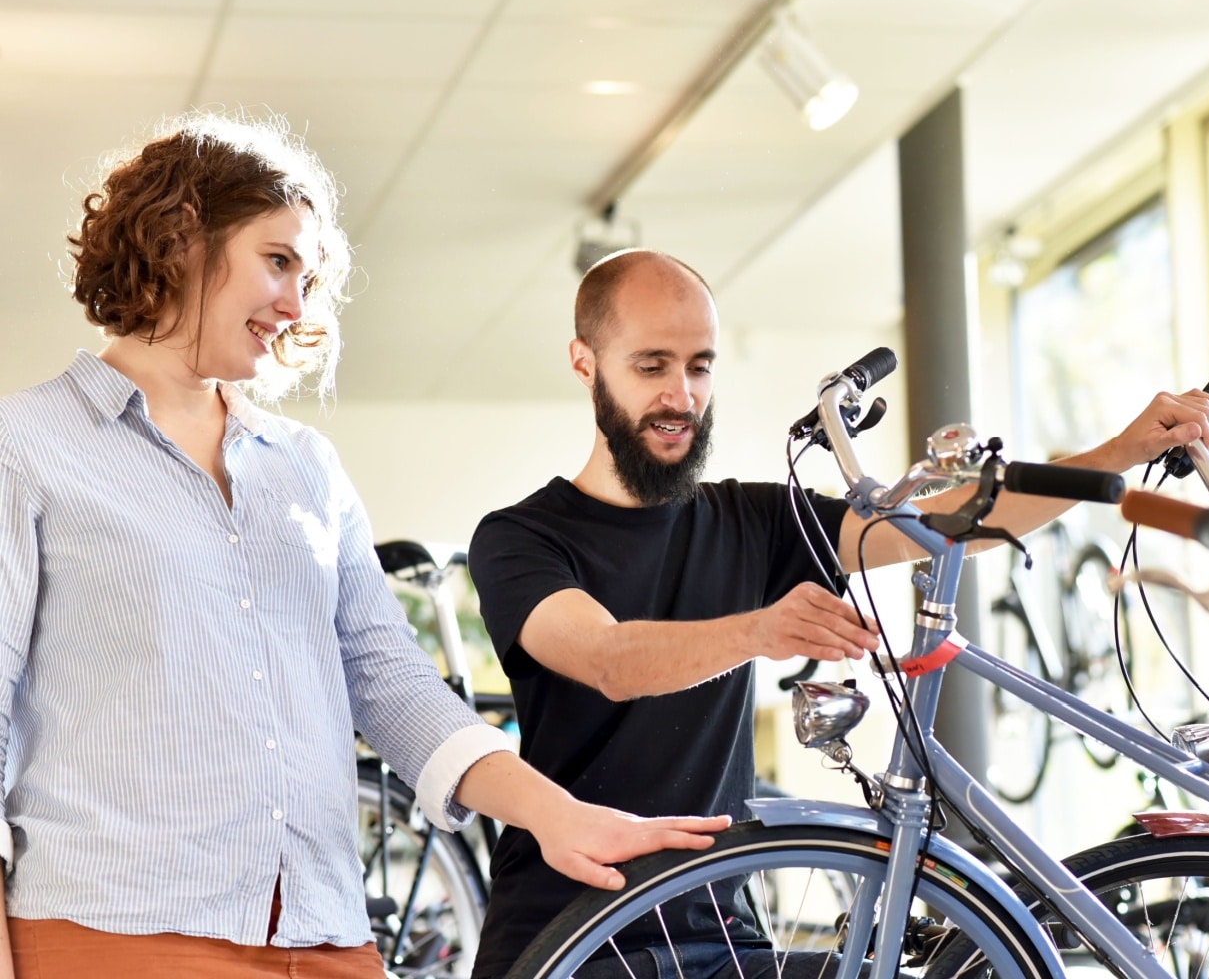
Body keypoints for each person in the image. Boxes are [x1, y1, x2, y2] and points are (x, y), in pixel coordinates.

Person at [0, 115, 726, 979]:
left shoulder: (303, 467)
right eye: (277, 262)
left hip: (324, 935)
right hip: (113, 936)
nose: (296, 307)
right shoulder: (28, 449)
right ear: (180, 235)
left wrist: (553, 812)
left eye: (307, 279)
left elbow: (388, 678)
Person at [465, 248, 1209, 979]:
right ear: (584, 363)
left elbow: (945, 519)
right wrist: (760, 629)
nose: (682, 396)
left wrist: (1119, 450)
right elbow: (609, 660)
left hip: (721, 940)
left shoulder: (748, 519)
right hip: (571, 941)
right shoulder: (520, 539)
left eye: (700, 367)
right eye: (651, 366)